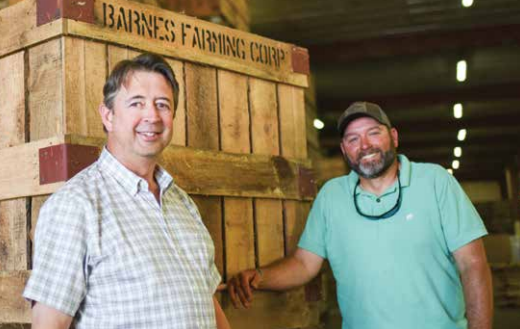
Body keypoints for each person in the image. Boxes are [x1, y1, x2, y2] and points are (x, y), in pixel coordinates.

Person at [227, 102, 493, 329]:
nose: (365, 146)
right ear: (344, 150)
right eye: (353, 139)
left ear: (394, 137)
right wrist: (260, 276)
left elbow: (473, 265)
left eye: (373, 133)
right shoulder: (331, 196)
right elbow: (305, 264)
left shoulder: (435, 182)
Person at [24, 53, 231, 329]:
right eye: (137, 103)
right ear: (108, 115)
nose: (152, 116)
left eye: (163, 105)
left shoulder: (183, 204)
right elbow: (49, 325)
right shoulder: (75, 205)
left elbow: (207, 303)